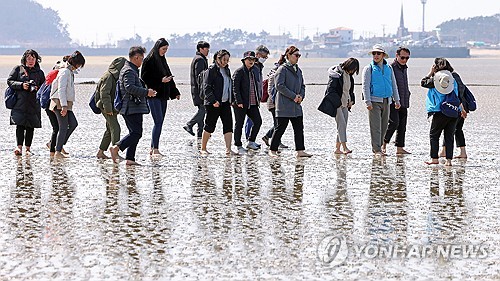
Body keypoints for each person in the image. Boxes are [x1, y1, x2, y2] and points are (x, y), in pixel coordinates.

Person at [110, 46, 157, 165]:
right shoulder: (129, 71)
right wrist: (147, 92)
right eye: (141, 58)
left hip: (134, 107)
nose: (142, 61)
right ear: (136, 57)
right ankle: (116, 148)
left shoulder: (132, 69)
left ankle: (130, 159)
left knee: (135, 133)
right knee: (136, 133)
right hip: (130, 108)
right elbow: (129, 87)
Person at [268, 46, 312, 158]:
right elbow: (279, 86)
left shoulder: (298, 70)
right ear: (288, 55)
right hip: (284, 105)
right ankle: (272, 150)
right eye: (296, 55)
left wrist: (301, 96)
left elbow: (302, 85)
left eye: (299, 55)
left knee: (299, 129)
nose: (298, 58)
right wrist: (293, 96)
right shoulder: (282, 69)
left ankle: (300, 150)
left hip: (296, 106)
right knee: (279, 129)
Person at [141, 38, 180, 156]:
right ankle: (155, 148)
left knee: (160, 122)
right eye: (163, 49)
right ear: (158, 48)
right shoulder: (149, 60)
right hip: (153, 95)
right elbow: (144, 78)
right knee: (158, 121)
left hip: (164, 95)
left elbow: (169, 76)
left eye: (166, 49)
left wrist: (175, 92)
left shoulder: (162, 59)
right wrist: (160, 80)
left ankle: (153, 148)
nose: (165, 51)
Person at [421, 64, 464, 166]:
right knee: (449, 136)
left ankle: (434, 159)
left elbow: (423, 82)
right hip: (454, 112)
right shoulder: (453, 80)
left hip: (440, 112)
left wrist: (431, 72)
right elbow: (460, 93)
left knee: (434, 135)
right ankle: (449, 161)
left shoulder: (436, 81)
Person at [362, 44, 401, 156]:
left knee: (384, 126)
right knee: (376, 127)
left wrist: (396, 100)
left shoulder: (389, 68)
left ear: (383, 55)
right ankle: (377, 149)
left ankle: (379, 147)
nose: (376, 55)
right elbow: (365, 86)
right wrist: (367, 101)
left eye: (378, 53)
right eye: (374, 53)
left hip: (387, 100)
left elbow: (393, 84)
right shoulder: (368, 68)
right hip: (374, 101)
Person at [7, 49, 45, 156]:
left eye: (33, 59)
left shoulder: (40, 73)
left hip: (33, 103)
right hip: (19, 102)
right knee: (20, 125)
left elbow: (44, 86)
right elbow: (9, 81)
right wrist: (21, 85)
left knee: (30, 126)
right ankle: (19, 147)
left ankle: (28, 149)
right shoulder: (18, 69)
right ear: (25, 59)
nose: (31, 61)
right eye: (28, 58)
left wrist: (37, 88)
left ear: (37, 60)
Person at [200, 49, 237, 156]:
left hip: (225, 102)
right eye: (224, 59)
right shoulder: (211, 70)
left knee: (228, 125)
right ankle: (203, 148)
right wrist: (213, 101)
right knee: (210, 125)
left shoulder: (227, 70)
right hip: (214, 103)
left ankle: (228, 149)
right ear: (218, 58)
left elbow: (229, 85)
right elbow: (206, 87)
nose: (226, 62)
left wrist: (231, 99)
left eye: (227, 60)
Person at [49, 50, 85, 158]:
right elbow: (61, 89)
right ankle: (58, 151)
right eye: (78, 65)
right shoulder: (64, 72)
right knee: (63, 127)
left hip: (66, 103)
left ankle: (55, 144)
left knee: (73, 123)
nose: (78, 67)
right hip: (60, 102)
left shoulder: (69, 72)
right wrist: (63, 106)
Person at [436, 58, 469, 159]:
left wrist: (460, 106)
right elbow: (462, 88)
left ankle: (448, 151)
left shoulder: (448, 76)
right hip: (460, 105)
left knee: (451, 129)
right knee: (456, 129)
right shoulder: (454, 75)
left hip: (456, 107)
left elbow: (459, 90)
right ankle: (454, 151)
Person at [325, 58, 359, 154]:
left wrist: (351, 101)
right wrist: (338, 103)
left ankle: (337, 149)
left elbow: (350, 91)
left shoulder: (349, 76)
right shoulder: (337, 74)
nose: (353, 71)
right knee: (342, 125)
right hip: (337, 105)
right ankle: (344, 147)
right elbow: (330, 91)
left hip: (345, 104)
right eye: (353, 68)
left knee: (342, 126)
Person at [95, 57, 126, 159]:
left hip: (110, 107)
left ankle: (100, 152)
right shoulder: (109, 76)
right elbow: (104, 94)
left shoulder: (115, 77)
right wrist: (108, 109)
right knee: (115, 127)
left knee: (109, 129)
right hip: (105, 107)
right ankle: (115, 153)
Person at [382, 47, 412, 155]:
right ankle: (383, 144)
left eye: (407, 58)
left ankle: (400, 148)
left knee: (402, 126)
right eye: (402, 57)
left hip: (404, 100)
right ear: (397, 55)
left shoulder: (404, 68)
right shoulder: (391, 67)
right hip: (394, 101)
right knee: (394, 123)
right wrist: (394, 99)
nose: (404, 60)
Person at [232, 51, 263, 153]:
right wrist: (238, 101)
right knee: (239, 124)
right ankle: (238, 145)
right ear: (244, 60)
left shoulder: (255, 70)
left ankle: (251, 141)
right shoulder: (239, 72)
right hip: (240, 104)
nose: (251, 61)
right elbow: (235, 88)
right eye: (249, 59)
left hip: (253, 103)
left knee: (258, 121)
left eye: (253, 59)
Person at [243, 45, 270, 143]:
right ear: (258, 55)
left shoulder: (259, 66)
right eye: (264, 56)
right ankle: (249, 139)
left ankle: (250, 139)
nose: (265, 59)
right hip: (250, 98)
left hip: (256, 97)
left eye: (266, 57)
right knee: (251, 120)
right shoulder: (253, 66)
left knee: (252, 120)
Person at [44, 57, 70, 157]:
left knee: (59, 127)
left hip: (50, 102)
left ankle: (57, 146)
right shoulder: (62, 72)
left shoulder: (56, 70)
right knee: (57, 127)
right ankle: (53, 150)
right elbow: (60, 90)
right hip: (52, 102)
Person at [184, 40, 210, 139]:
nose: (208, 51)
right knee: (203, 110)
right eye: (206, 49)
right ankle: (189, 125)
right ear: (201, 49)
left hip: (198, 90)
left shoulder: (200, 58)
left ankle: (200, 134)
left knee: (202, 111)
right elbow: (200, 77)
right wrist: (204, 91)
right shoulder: (199, 60)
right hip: (199, 91)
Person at [261, 61, 289, 150]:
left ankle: (273, 139)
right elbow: (270, 91)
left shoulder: (281, 74)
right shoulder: (274, 75)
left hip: (278, 103)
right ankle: (270, 138)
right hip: (273, 104)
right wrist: (277, 102)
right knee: (278, 124)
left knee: (278, 123)